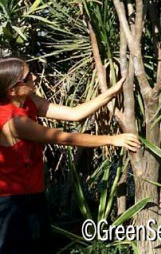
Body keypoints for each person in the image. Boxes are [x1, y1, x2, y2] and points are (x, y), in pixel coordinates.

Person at [0, 57, 140, 254]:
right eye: (28, 77)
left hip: (33, 192)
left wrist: (111, 93)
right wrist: (112, 139)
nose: (35, 77)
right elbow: (64, 139)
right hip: (11, 202)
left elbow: (74, 114)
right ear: (12, 90)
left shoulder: (28, 101)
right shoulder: (13, 122)